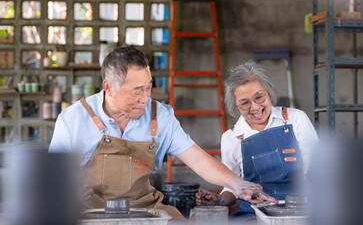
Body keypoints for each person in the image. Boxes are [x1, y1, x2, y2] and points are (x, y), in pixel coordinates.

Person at [49, 47, 277, 219]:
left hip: (144, 209)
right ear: (108, 87)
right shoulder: (73, 120)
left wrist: (236, 183)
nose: (145, 99)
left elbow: (196, 158)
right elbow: (51, 182)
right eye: (137, 91)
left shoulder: (161, 115)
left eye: (148, 87)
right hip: (90, 212)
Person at [196, 61, 318, 218]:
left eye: (259, 97)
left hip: (300, 210)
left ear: (269, 92)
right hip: (254, 214)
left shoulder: (296, 120)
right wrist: (219, 200)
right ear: (235, 106)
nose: (254, 107)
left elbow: (317, 173)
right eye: (245, 103)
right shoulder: (232, 138)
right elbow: (233, 187)